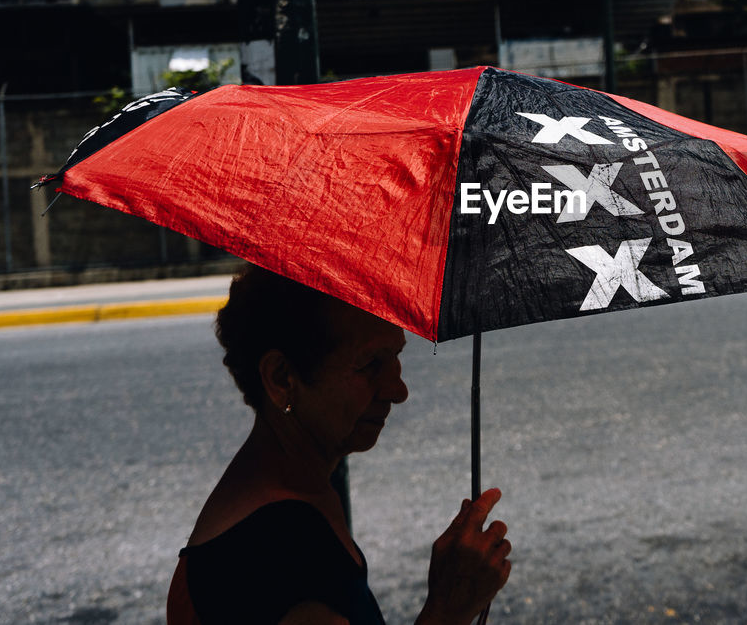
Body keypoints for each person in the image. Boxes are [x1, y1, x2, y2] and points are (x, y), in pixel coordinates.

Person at [167, 265, 512, 624]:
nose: (399, 390)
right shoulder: (281, 552)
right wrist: (447, 611)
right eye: (370, 364)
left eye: (396, 356)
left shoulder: (294, 494)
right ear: (282, 378)